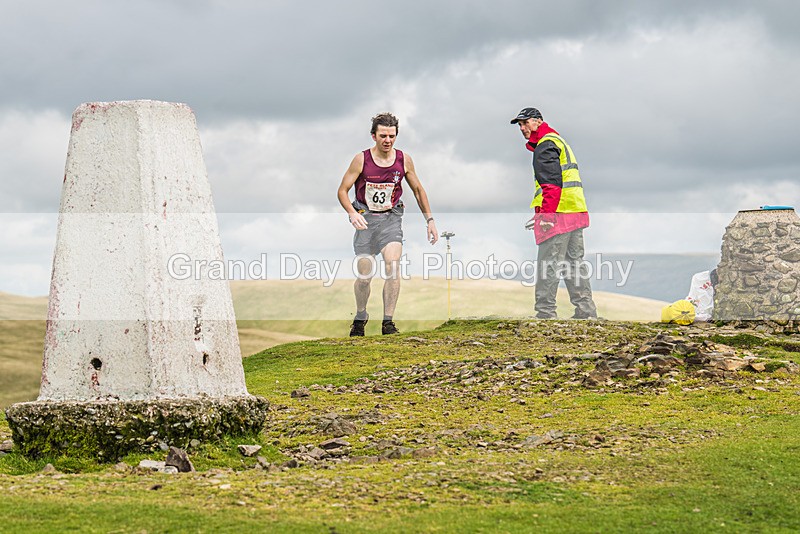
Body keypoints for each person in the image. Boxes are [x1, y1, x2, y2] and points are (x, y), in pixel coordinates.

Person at [337, 112, 438, 336]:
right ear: (373, 136)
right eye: (383, 135)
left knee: (392, 265)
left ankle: (388, 322)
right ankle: (360, 316)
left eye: (392, 136)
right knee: (365, 277)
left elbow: (419, 190)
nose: (388, 140)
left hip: (391, 219)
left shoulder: (404, 160)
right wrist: (352, 213)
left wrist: (429, 220)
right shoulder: (361, 159)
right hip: (365, 220)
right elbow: (342, 191)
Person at [510, 107, 598, 319]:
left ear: (539, 121)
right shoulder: (557, 140)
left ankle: (545, 313)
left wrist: (547, 216)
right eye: (520, 125)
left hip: (558, 214)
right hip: (574, 211)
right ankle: (586, 312)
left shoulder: (545, 145)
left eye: (526, 123)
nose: (522, 128)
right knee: (574, 263)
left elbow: (551, 184)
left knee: (548, 264)